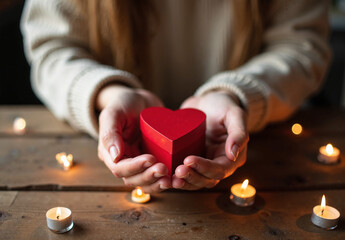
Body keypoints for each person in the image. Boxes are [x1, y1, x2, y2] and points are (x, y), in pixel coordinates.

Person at [21, 0, 331, 193]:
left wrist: (233, 93)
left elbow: (303, 45)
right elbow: (51, 47)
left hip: (260, 151)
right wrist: (108, 93)